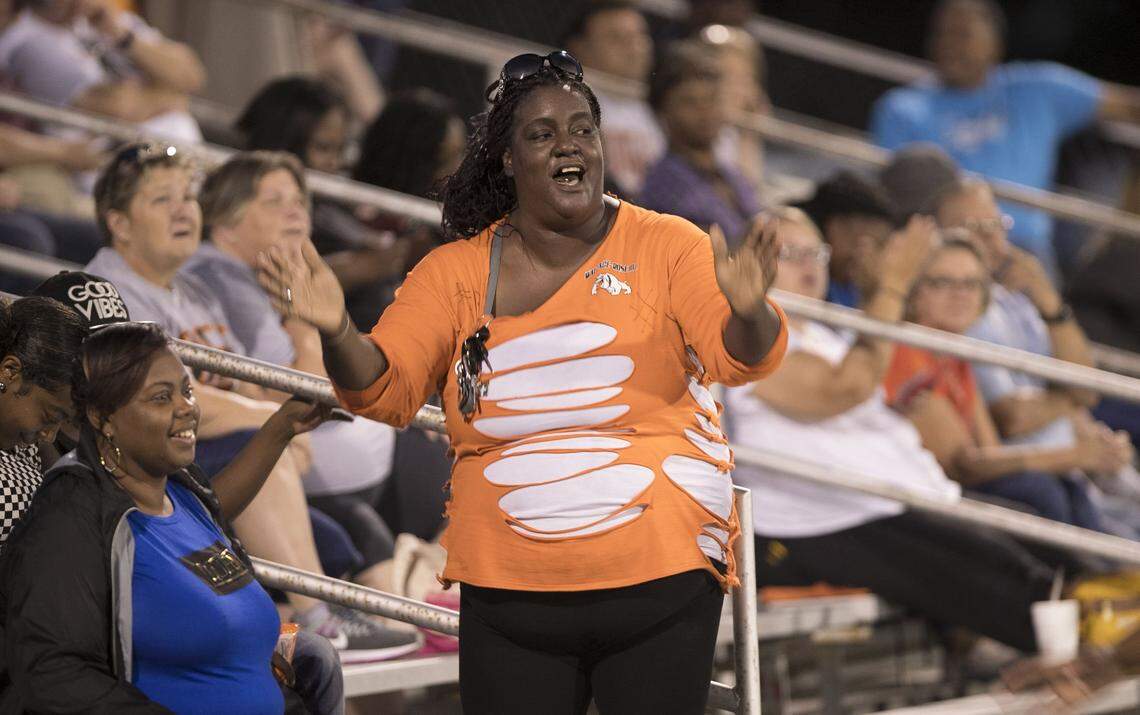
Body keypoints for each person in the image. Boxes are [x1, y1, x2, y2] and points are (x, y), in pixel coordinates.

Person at [258, 49, 788, 714]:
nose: (569, 144)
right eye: (543, 134)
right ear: (508, 159)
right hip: (509, 583)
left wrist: (751, 312)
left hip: (658, 565)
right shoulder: (454, 271)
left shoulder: (667, 245)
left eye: (583, 129)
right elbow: (383, 389)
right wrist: (338, 330)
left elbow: (739, 356)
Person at [83, 143, 416, 662]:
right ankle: (316, 620)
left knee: (352, 536)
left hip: (204, 467)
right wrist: (274, 425)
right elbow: (156, 401)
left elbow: (257, 388)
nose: (183, 210)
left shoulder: (193, 290)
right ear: (119, 223)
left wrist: (275, 413)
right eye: (162, 199)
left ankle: (374, 631)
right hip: (145, 480)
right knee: (257, 449)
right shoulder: (103, 291)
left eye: (187, 197)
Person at [723, 207, 1087, 653]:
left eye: (815, 253)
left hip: (898, 499)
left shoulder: (827, 336)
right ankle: (1087, 663)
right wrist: (894, 284)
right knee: (1027, 584)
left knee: (1058, 555)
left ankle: (1095, 653)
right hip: (824, 519)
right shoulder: (743, 337)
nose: (809, 264)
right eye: (789, 253)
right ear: (750, 265)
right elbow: (845, 387)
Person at [1, 322, 335, 713]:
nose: (187, 408)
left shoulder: (185, 494)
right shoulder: (70, 514)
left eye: (187, 391)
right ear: (103, 417)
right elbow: (55, 673)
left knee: (317, 655)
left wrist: (281, 428)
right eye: (161, 397)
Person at [187, 152, 441, 600]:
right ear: (226, 221)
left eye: (299, 201)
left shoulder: (263, 272)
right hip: (299, 456)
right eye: (274, 201)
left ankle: (429, 588)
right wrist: (307, 326)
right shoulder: (222, 276)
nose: (295, 212)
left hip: (348, 459)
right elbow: (301, 386)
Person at [870, 0, 1140, 281]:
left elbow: (1127, 106)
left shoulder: (1035, 89)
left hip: (1025, 246)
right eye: (941, 34)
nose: (949, 44)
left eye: (963, 34)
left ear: (995, 43)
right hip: (946, 244)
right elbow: (896, 196)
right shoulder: (903, 108)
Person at [884, 239, 1127, 530]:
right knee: (1038, 488)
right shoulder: (906, 351)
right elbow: (964, 466)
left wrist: (1082, 455)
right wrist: (1075, 455)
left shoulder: (954, 356)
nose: (961, 294)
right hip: (920, 504)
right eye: (942, 283)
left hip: (957, 490)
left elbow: (991, 450)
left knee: (1068, 487)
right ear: (913, 291)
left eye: (972, 284)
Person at [236, 76, 413, 329]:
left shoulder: (330, 207)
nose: (335, 162)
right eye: (323, 148)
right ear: (283, 142)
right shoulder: (241, 207)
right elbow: (256, 283)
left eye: (340, 150)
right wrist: (354, 270)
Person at [0, 0, 205, 143]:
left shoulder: (106, 19)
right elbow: (118, 108)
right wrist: (173, 94)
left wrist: (122, 37)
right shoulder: (27, 43)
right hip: (109, 160)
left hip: (174, 145)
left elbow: (191, 76)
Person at [639, 41, 761, 249]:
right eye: (690, 102)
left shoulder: (734, 177)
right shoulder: (662, 186)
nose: (706, 112)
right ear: (662, 111)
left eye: (712, 99)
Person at [0, 295, 86, 545]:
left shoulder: (21, 446)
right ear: (10, 371)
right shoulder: (19, 494)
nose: (49, 435)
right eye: (50, 417)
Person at [562, 0, 661, 196]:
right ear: (579, 48)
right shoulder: (567, 102)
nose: (634, 48)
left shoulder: (661, 111)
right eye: (617, 38)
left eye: (640, 36)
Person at [795, 170, 897, 308]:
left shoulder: (851, 287)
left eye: (880, 246)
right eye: (873, 243)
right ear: (835, 227)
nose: (871, 256)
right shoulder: (805, 280)